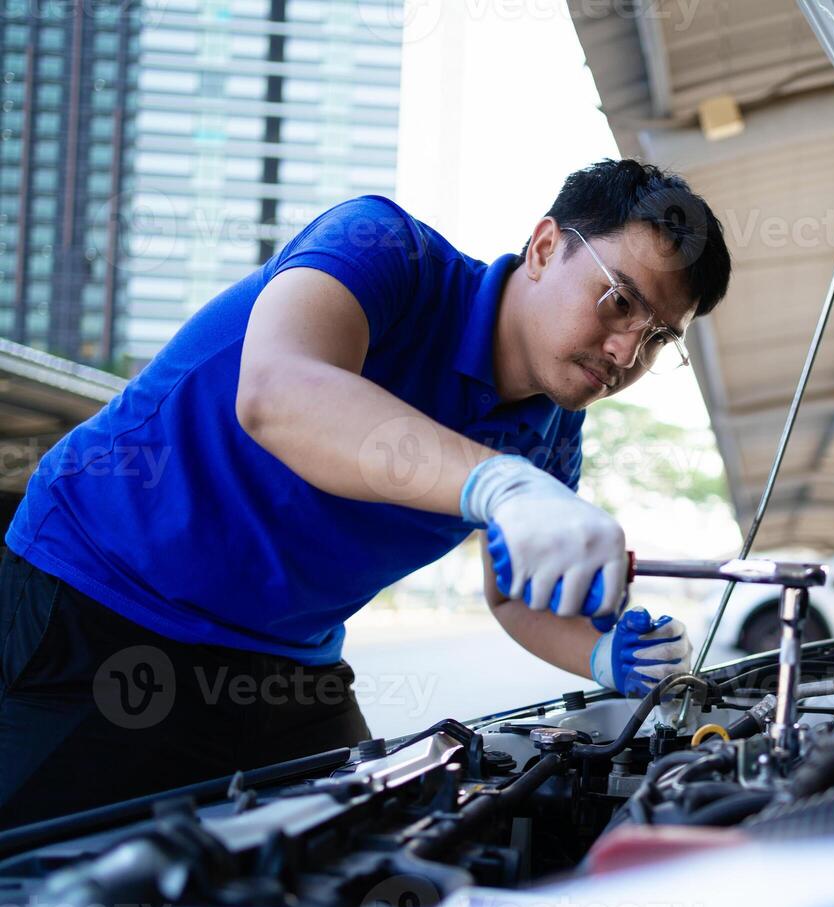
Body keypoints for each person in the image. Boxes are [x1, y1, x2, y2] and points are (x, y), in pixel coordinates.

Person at [0, 159, 732, 830]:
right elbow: (277, 393)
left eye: (658, 339)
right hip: (96, 599)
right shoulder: (384, 250)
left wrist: (604, 659)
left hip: (289, 664)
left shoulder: (551, 436)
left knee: (375, 856)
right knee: (36, 876)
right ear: (545, 248)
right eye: (617, 300)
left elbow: (512, 596)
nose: (624, 353)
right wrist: (497, 481)